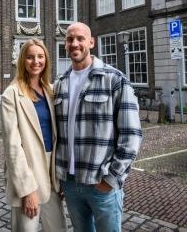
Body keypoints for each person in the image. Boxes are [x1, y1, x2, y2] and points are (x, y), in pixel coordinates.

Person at [54, 22, 142, 232]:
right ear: (65, 44)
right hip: (70, 183)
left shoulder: (115, 80)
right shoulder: (59, 83)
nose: (74, 43)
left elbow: (131, 136)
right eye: (69, 39)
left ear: (91, 42)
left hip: (100, 184)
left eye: (80, 39)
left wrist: (111, 179)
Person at [1, 39, 67, 232]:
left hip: (51, 174)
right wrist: (27, 190)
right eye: (30, 57)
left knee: (58, 228)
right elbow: (12, 147)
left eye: (40, 56)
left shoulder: (50, 90)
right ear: (22, 60)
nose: (35, 61)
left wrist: (60, 176)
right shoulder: (11, 94)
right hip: (27, 172)